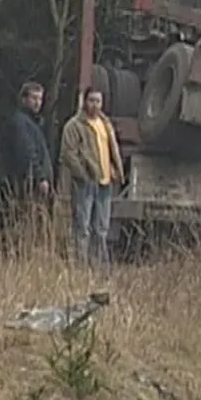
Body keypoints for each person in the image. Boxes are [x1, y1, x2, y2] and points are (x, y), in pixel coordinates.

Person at [60, 87, 124, 267]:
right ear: (84, 102)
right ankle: (81, 265)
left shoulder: (105, 123)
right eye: (91, 100)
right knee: (83, 226)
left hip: (104, 182)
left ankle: (100, 266)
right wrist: (82, 174)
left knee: (102, 228)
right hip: (86, 182)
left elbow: (112, 149)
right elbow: (68, 154)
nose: (95, 105)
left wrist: (117, 170)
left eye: (98, 101)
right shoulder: (74, 125)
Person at [4, 81, 54, 199]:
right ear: (23, 99)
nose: (38, 103)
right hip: (29, 184)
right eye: (34, 98)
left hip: (37, 183)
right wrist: (40, 177)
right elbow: (27, 153)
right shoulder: (21, 123)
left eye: (40, 99)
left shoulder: (35, 123)